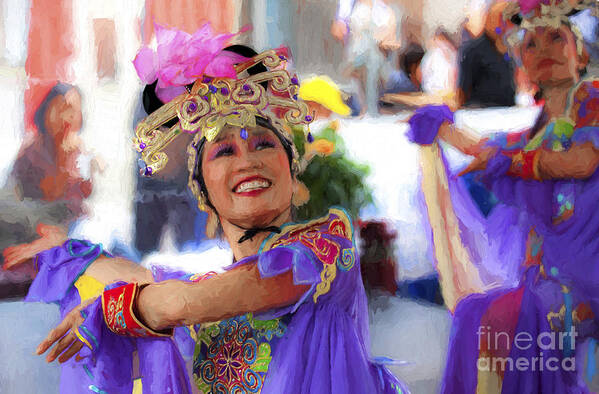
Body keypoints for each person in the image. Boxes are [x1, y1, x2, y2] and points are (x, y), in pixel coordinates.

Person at [3, 24, 408, 394]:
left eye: (264, 144)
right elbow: (156, 282)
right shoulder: (206, 305)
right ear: (203, 196)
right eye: (225, 152)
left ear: (294, 176)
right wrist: (62, 257)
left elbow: (181, 300)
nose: (248, 161)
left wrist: (111, 309)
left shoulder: (326, 248)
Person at [407, 0, 599, 392]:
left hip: (587, 272)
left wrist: (506, 161)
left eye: (555, 38)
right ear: (520, 65)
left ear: (579, 51)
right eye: (531, 45)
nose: (543, 50)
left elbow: (581, 161)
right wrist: (444, 131)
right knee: (474, 316)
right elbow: (491, 150)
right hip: (548, 273)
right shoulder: (538, 126)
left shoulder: (593, 101)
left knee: (508, 321)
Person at [455, 0, 517, 107]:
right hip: (480, 113)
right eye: (500, 20)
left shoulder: (509, 49)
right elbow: (462, 91)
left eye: (507, 20)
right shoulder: (472, 50)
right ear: (489, 20)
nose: (503, 25)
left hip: (507, 113)